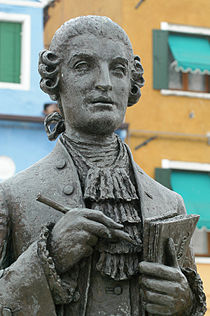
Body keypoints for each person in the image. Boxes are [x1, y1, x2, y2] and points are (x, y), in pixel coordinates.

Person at [0, 16, 206, 316]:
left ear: (132, 85)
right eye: (84, 66)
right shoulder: (13, 197)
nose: (105, 83)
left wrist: (184, 303)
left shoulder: (169, 203)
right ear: (55, 82)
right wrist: (48, 259)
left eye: (119, 70)